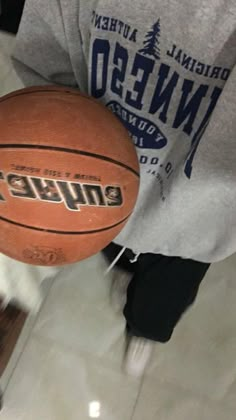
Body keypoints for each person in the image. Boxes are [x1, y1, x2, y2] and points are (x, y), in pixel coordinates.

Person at [12, 0, 236, 377]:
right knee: (114, 250)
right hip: (100, 199)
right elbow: (45, 56)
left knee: (160, 304)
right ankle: (127, 269)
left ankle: (143, 330)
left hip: (193, 222)